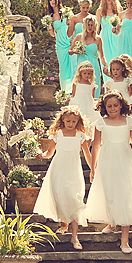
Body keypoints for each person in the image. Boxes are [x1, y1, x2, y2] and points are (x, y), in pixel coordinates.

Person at [85, 90, 132, 253]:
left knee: (124, 195)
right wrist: (93, 168)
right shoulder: (100, 123)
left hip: (124, 160)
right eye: (109, 106)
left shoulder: (129, 121)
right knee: (109, 194)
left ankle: (125, 240)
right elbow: (96, 146)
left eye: (115, 105)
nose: (113, 108)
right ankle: (111, 222)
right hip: (107, 161)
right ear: (104, 107)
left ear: (121, 105)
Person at [34, 106, 93, 249]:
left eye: (74, 121)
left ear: (78, 121)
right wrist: (42, 154)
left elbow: (87, 154)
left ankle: (74, 237)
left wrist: (93, 169)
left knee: (74, 199)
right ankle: (64, 224)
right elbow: (49, 153)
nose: (71, 124)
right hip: (58, 170)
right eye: (68, 121)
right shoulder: (58, 134)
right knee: (60, 197)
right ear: (62, 120)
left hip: (74, 171)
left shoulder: (80, 135)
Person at [70, 14, 104, 99]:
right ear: (85, 25)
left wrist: (106, 66)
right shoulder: (79, 37)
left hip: (94, 66)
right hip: (81, 65)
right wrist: (76, 51)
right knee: (80, 89)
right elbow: (70, 51)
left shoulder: (98, 39)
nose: (90, 27)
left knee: (93, 89)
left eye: (92, 25)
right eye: (88, 25)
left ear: (94, 26)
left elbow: (102, 56)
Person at [46, 0, 73, 91]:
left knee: (72, 65)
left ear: (58, 0)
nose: (53, 1)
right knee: (63, 67)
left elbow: (72, 26)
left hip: (69, 41)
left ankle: (74, 89)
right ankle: (65, 90)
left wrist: (73, 40)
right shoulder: (50, 17)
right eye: (50, 0)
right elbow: (53, 34)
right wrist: (49, 28)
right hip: (60, 44)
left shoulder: (66, 12)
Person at [96, 0, 122, 66]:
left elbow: (120, 24)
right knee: (106, 58)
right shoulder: (100, 10)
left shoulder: (119, 9)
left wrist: (117, 30)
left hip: (116, 36)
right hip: (104, 37)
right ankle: (107, 78)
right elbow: (97, 26)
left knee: (118, 58)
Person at [70, 61, 98, 130]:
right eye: (84, 73)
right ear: (80, 73)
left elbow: (92, 97)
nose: (86, 75)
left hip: (88, 105)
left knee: (89, 120)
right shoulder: (76, 84)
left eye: (89, 73)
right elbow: (73, 95)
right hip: (78, 103)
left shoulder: (92, 86)